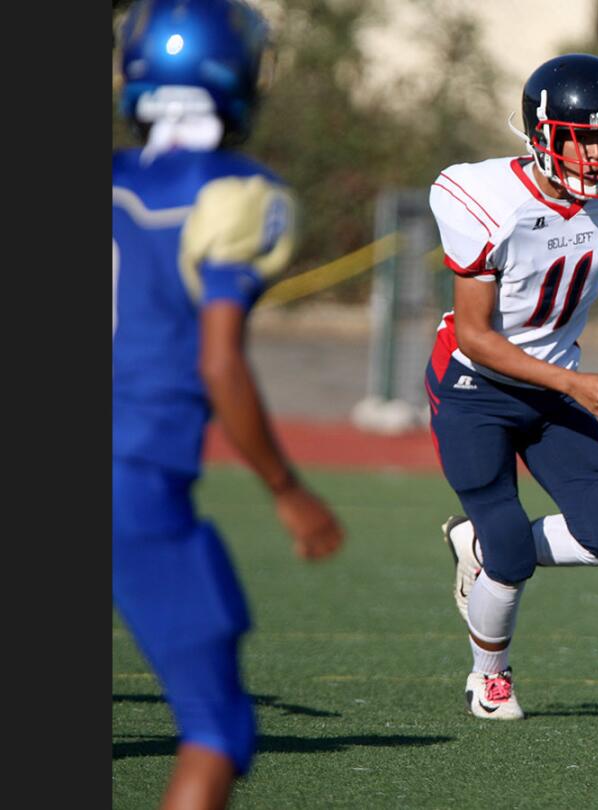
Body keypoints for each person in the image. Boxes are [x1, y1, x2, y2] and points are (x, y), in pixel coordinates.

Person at [112, 2, 345, 807]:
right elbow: (219, 362)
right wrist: (287, 488)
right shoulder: (238, 192)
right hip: (132, 478)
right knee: (216, 729)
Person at [427, 53, 598, 721]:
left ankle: (483, 543)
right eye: (582, 139)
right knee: (511, 556)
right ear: (542, 135)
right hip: (476, 385)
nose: (597, 156)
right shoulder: (483, 196)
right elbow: (476, 335)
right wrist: (572, 382)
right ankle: (488, 676)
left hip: (556, 383)